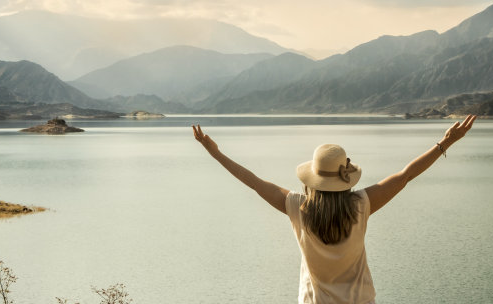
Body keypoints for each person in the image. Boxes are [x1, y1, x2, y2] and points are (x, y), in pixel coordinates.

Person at [192, 115, 477, 304]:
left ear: (312, 180)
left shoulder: (297, 207)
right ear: (346, 180)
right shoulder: (361, 205)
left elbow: (254, 182)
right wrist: (446, 142)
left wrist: (214, 152)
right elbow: (404, 176)